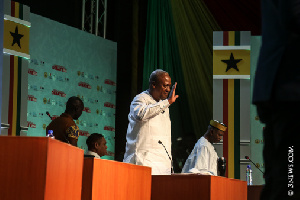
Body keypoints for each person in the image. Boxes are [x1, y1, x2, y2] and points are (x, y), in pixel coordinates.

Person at [253, 1, 300, 199]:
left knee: (281, 175)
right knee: (290, 178)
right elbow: (295, 16)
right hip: (289, 90)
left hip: (278, 87)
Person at [123, 69, 179, 175]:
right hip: (143, 162)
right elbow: (140, 115)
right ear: (154, 84)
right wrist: (167, 102)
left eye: (169, 86)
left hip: (162, 166)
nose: (168, 90)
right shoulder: (140, 99)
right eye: (165, 86)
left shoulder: (164, 105)